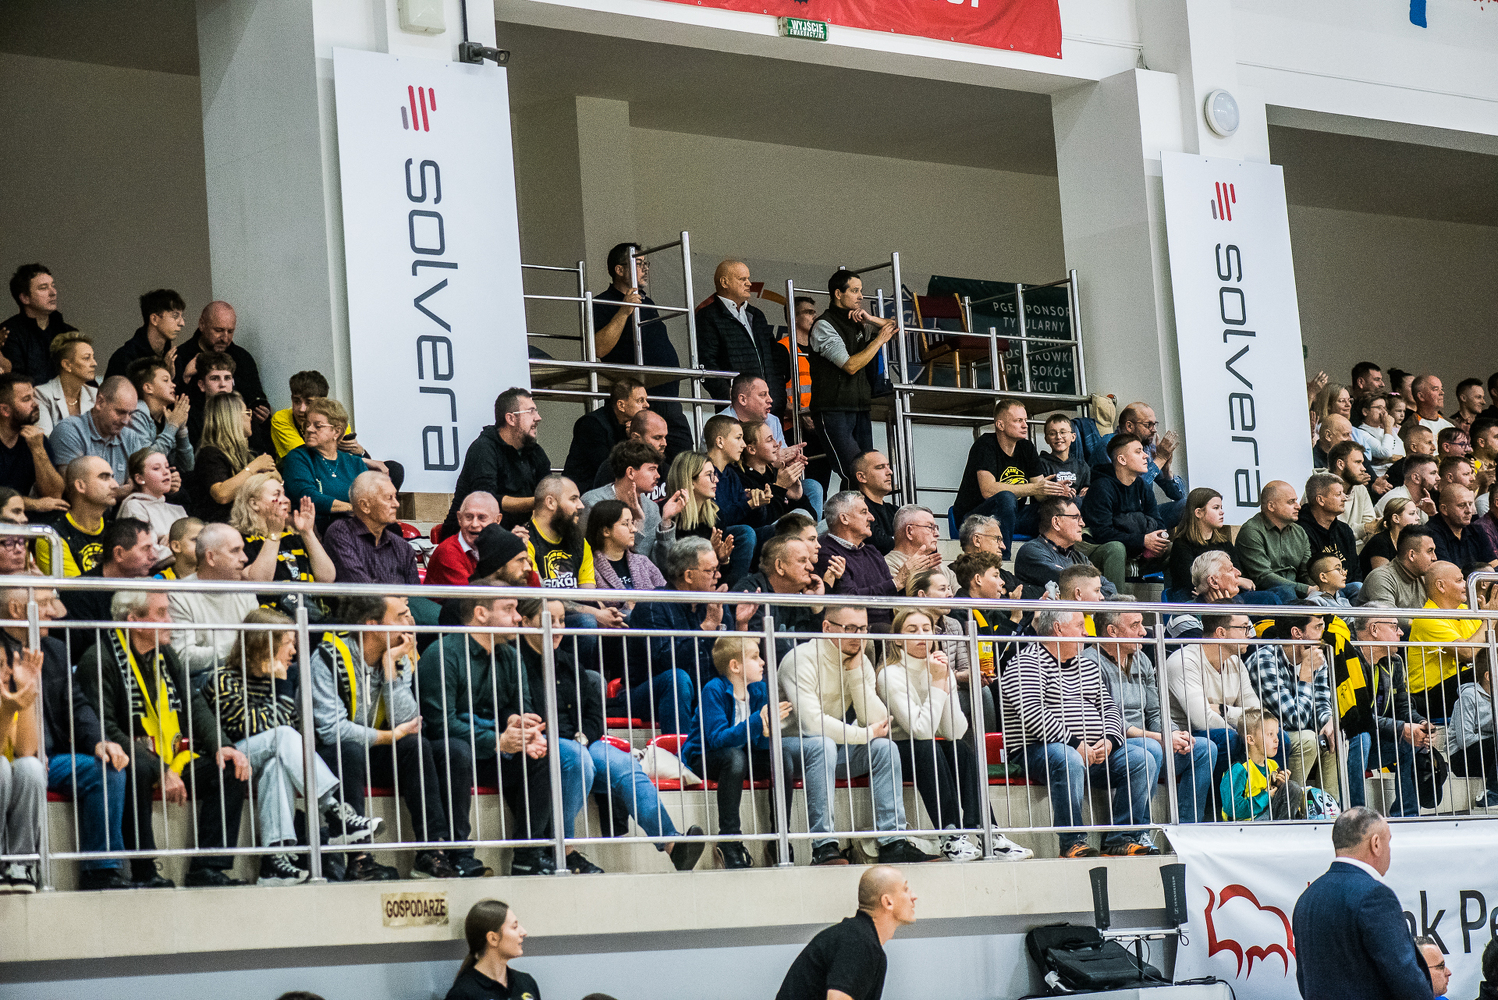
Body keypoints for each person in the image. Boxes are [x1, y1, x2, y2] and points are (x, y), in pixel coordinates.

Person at [75, 590, 250, 887]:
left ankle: (208, 867)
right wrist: (159, 769)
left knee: (229, 768)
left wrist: (222, 745)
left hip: (174, 753)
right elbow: (106, 728)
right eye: (162, 613)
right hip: (132, 755)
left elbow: (193, 704)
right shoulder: (99, 659)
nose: (171, 621)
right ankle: (145, 870)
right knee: (136, 769)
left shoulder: (165, 653)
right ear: (134, 621)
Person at [521, 596, 706, 874]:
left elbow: (595, 715)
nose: (557, 628)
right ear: (525, 622)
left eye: (561, 620)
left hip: (580, 740)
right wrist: (576, 742)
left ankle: (672, 844)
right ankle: (563, 849)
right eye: (549, 620)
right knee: (578, 758)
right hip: (542, 742)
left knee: (625, 764)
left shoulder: (569, 662)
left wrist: (583, 738)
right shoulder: (515, 662)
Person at [207, 608, 377, 886]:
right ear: (265, 644)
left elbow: (293, 730)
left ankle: (275, 861)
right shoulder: (224, 679)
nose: (294, 652)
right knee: (282, 737)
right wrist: (282, 687)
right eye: (288, 643)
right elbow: (248, 726)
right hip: (231, 755)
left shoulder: (285, 675)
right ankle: (333, 811)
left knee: (277, 764)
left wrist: (281, 685)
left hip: (266, 756)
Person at [311, 594, 461, 880]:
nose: (410, 622)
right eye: (401, 616)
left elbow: (408, 723)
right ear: (373, 625)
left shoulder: (398, 656)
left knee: (416, 746)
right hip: (330, 757)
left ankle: (431, 852)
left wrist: (391, 666)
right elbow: (331, 730)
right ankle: (359, 859)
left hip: (376, 751)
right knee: (348, 750)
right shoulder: (327, 658)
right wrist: (389, 736)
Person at [779, 603, 933, 866]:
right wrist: (864, 734)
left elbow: (877, 722)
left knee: (885, 748)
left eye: (863, 628)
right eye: (850, 628)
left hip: (831, 749)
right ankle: (824, 845)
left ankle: (893, 841)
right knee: (822, 744)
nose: (859, 636)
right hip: (788, 749)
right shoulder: (801, 659)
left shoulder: (859, 659)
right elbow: (811, 724)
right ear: (827, 627)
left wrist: (856, 674)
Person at [3, 584, 134, 890]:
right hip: (10, 755)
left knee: (107, 768)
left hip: (54, 757)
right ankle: (15, 863)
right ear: (17, 610)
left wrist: (99, 741)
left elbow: (78, 705)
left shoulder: (56, 650)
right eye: (45, 603)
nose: (54, 612)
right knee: (25, 767)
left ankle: (101, 870)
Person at [417, 594, 555, 878]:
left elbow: (522, 708)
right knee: (456, 750)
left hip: (493, 748)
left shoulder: (512, 655)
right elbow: (441, 724)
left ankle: (528, 855)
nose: (518, 617)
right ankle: (459, 854)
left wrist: (524, 728)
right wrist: (497, 741)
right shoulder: (442, 653)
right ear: (481, 613)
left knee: (543, 754)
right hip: (448, 752)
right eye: (509, 609)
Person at [1002, 608, 1157, 857]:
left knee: (1142, 760)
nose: (1087, 633)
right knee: (1069, 758)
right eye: (1080, 626)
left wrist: (1109, 741)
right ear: (1058, 629)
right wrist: (1076, 744)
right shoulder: (1026, 663)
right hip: (1037, 750)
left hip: (1091, 749)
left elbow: (1110, 709)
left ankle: (1121, 837)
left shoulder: (1086, 664)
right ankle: (1072, 842)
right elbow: (1033, 714)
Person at [877, 609, 991, 863]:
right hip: (896, 751)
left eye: (926, 629)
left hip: (926, 747)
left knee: (960, 749)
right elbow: (920, 731)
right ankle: (950, 834)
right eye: (912, 630)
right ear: (897, 639)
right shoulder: (889, 674)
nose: (922, 635)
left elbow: (954, 732)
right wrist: (938, 685)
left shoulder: (939, 669)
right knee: (927, 746)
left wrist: (944, 679)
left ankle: (987, 831)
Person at [1088, 605, 1217, 824]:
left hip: (1149, 744)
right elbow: (1108, 722)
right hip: (1111, 747)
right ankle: (1139, 829)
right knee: (1152, 748)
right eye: (1135, 625)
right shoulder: (1090, 662)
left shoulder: (1142, 659)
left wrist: (1174, 734)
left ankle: (1189, 827)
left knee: (1204, 748)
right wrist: (1159, 738)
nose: (1143, 632)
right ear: (1112, 631)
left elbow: (1156, 713)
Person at [1292, 807, 1434, 1000]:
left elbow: (1304, 979)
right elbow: (1405, 978)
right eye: (1388, 841)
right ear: (1376, 844)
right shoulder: (1375, 896)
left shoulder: (1307, 898)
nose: (1389, 849)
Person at [679, 635, 794, 869]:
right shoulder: (714, 689)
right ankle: (729, 840)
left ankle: (780, 837)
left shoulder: (760, 690)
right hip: (705, 757)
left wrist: (767, 731)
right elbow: (718, 739)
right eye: (755, 657)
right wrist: (757, 721)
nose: (762, 662)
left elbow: (759, 744)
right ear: (735, 666)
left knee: (781, 757)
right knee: (734, 757)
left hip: (740, 757)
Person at [624, 537, 747, 734]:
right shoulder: (653, 605)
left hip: (701, 695)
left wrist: (742, 625)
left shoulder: (714, 605)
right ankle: (682, 750)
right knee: (677, 679)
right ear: (688, 575)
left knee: (753, 677)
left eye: (717, 569)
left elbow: (732, 660)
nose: (718, 575)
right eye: (711, 570)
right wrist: (707, 627)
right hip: (650, 694)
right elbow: (666, 662)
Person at [591, 243, 692, 459]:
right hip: (637, 401)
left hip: (668, 398)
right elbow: (599, 348)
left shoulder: (648, 301)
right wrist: (624, 311)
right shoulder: (602, 302)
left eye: (646, 263)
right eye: (638, 263)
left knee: (684, 460)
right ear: (619, 270)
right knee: (642, 462)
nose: (645, 268)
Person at [1166, 612, 1285, 792]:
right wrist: (1244, 734)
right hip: (1187, 737)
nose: (1250, 635)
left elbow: (1258, 713)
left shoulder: (1236, 662)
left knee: (1279, 737)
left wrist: (1225, 710)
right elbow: (1202, 720)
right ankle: (1223, 804)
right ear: (1221, 633)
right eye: (1244, 628)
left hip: (1226, 728)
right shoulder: (1183, 661)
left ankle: (1276, 801)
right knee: (1230, 739)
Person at [805, 269, 899, 483]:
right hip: (833, 409)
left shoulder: (858, 321)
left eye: (861, 291)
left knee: (867, 474)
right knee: (854, 473)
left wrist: (870, 318)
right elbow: (850, 366)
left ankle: (858, 507)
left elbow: (896, 328)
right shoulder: (824, 325)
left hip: (860, 407)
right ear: (838, 294)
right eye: (855, 291)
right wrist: (879, 340)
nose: (861, 296)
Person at [775, 865, 916, 1000]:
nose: (914, 896)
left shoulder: (859, 937)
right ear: (887, 902)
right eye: (905, 889)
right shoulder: (859, 942)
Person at [1340, 608, 1429, 817]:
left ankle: (1407, 814)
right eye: (1394, 626)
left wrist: (1420, 723)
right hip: (1347, 741)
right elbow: (1357, 717)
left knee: (1413, 739)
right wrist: (1400, 728)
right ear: (1374, 629)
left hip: (1377, 740)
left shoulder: (1394, 661)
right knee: (1362, 737)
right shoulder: (1347, 659)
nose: (1401, 633)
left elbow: (1403, 706)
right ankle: (1357, 815)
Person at [1244, 611, 1339, 799]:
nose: (1323, 633)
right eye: (1318, 627)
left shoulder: (1317, 658)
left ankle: (1330, 809)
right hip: (1270, 734)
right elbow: (1295, 720)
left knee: (1333, 738)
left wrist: (1328, 722)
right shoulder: (1265, 660)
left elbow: (1322, 702)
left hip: (1294, 730)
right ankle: (1290, 806)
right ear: (1297, 633)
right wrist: (1306, 675)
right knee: (1308, 740)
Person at [953, 398, 1069, 539]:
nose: (1025, 425)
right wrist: (1034, 488)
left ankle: (1052, 552)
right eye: (1018, 421)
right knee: (1006, 497)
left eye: (1025, 420)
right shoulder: (985, 445)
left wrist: (1056, 490)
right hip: (975, 520)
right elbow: (988, 490)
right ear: (1000, 425)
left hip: (1012, 516)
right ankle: (1004, 553)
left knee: (1059, 508)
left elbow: (1039, 492)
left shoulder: (1026, 447)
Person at [445, 387, 551, 535]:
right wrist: (538, 502)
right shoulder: (483, 448)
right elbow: (486, 500)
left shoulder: (535, 452)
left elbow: (548, 490)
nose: (538, 417)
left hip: (516, 535)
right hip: (470, 536)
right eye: (531, 411)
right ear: (511, 419)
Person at [232, 471, 336, 620]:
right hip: (270, 621)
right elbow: (260, 583)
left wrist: (307, 532)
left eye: (284, 494)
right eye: (277, 495)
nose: (286, 500)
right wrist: (274, 535)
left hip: (311, 617)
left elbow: (327, 577)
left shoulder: (293, 537)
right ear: (254, 504)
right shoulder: (241, 541)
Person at [48, 375, 183, 490]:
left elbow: (146, 478)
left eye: (130, 414)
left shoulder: (130, 437)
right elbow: (73, 489)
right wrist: (122, 493)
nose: (126, 421)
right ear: (100, 402)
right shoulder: (70, 431)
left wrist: (164, 481)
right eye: (120, 412)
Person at [168, 523, 259, 683]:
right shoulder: (179, 595)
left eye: (242, 550)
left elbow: (258, 645)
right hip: (203, 681)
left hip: (247, 676)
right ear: (210, 557)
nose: (244, 558)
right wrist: (239, 649)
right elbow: (182, 657)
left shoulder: (245, 591)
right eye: (235, 550)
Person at [697, 259, 789, 415]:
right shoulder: (708, 316)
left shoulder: (757, 315)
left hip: (770, 408)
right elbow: (707, 363)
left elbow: (774, 359)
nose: (749, 283)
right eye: (742, 279)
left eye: (748, 278)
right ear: (724, 282)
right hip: (737, 410)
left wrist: (778, 396)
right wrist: (730, 398)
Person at [1408, 561, 1498, 720]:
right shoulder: (1427, 618)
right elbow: (1469, 653)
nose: (1465, 585)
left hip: (1460, 686)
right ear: (1441, 586)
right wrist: (1489, 619)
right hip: (1429, 696)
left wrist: (1493, 618)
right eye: (1459, 580)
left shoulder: (1464, 610)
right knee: (1487, 670)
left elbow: (1489, 645)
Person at [1081, 433, 1169, 590]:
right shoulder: (1101, 487)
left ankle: (1178, 602)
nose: (1146, 456)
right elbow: (1103, 533)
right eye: (1138, 452)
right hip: (1102, 552)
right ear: (1122, 460)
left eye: (1143, 451)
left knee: (1171, 548)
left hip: (1137, 552)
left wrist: (1157, 539)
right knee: (1116, 548)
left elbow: (1158, 522)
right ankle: (1117, 604)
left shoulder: (1142, 486)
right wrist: (1142, 539)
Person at [281, 398, 382, 529]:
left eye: (318, 426)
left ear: (337, 432)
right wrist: (351, 508)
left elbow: (371, 498)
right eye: (307, 424)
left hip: (357, 525)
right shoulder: (298, 457)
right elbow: (307, 497)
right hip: (319, 527)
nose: (309, 429)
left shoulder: (355, 463)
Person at [172, 301, 269, 434]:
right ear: (202, 325)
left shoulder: (242, 358)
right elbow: (172, 407)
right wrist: (185, 378)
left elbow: (256, 397)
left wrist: (262, 411)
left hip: (239, 434)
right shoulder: (180, 357)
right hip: (196, 434)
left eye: (230, 331)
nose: (225, 338)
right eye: (218, 330)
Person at [582, 441, 680, 569]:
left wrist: (666, 521)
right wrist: (637, 522)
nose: (658, 476)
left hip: (643, 580)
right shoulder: (593, 502)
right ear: (630, 473)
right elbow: (589, 554)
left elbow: (663, 565)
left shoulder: (652, 508)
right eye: (652, 469)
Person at [813, 491, 900, 632]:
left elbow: (891, 597)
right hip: (857, 631)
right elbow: (851, 598)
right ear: (844, 519)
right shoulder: (826, 553)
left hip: (886, 630)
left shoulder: (872, 551)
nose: (871, 518)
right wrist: (895, 583)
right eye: (864, 512)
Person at [1166, 488, 1272, 602]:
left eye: (1221, 507)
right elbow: (1193, 582)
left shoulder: (1225, 543)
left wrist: (1234, 582)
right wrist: (1239, 582)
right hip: (1194, 599)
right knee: (1235, 601)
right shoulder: (1181, 544)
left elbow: (1237, 572)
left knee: (1270, 598)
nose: (1222, 512)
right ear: (1198, 513)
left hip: (1229, 593)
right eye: (1216, 508)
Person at [190, 392, 277, 523]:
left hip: (248, 521)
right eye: (247, 413)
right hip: (221, 525)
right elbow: (222, 495)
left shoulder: (248, 454)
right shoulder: (209, 454)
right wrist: (254, 467)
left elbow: (277, 481)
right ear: (232, 418)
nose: (250, 418)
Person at [322, 472, 420, 586]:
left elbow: (415, 592)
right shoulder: (340, 533)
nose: (396, 504)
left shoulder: (403, 547)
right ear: (365, 506)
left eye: (395, 497)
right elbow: (359, 587)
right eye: (389, 498)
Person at [1015, 496, 1121, 600]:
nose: (1082, 524)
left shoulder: (1080, 558)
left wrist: (1091, 591)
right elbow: (1071, 584)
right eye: (1076, 518)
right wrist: (1092, 592)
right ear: (1056, 522)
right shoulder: (1031, 552)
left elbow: (1111, 590)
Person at [57, 516, 157, 624]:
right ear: (119, 554)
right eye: (145, 549)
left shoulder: (147, 589)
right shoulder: (79, 594)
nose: (154, 556)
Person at [702, 414, 763, 583]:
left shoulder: (731, 474)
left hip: (734, 534)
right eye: (738, 438)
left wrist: (759, 504)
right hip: (711, 536)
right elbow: (717, 520)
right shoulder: (702, 472)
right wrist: (747, 504)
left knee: (779, 530)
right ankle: (736, 591)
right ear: (720, 442)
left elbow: (750, 520)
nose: (743, 445)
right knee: (745, 533)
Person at [34, 456, 117, 577]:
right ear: (80, 486)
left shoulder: (114, 528)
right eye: (104, 477)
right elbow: (74, 588)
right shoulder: (52, 537)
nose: (115, 485)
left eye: (112, 477)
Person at [559, 377, 647, 490]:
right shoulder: (592, 424)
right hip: (582, 493)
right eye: (640, 400)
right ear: (621, 405)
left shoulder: (629, 427)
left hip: (609, 490)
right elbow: (609, 469)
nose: (647, 405)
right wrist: (632, 441)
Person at [1109, 401, 1187, 526]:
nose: (1154, 430)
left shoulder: (1147, 448)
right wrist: (1160, 460)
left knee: (1188, 505)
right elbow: (1130, 491)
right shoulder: (1110, 447)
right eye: (1148, 425)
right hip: (1121, 515)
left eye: (1154, 424)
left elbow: (1179, 495)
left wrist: (1167, 473)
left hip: (1145, 513)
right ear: (1129, 426)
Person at [1237, 481, 1316, 599]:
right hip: (1264, 595)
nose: (1298, 506)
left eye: (1296, 501)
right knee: (1287, 592)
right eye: (1291, 502)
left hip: (1296, 593)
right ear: (1271, 506)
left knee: (1345, 589)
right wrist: (1305, 589)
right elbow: (1263, 577)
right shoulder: (1251, 531)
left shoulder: (1299, 532)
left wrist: (1320, 588)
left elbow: (1306, 572)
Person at [1220, 709, 1304, 820]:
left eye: (1276, 734)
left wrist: (1280, 786)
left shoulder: (1273, 765)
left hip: (1269, 816)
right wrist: (1266, 796)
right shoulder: (1238, 769)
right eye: (1270, 734)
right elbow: (1232, 809)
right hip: (1248, 823)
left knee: (1291, 788)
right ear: (1251, 739)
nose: (1276, 740)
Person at [447, 899, 539, 1000]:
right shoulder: (462, 993)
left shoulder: (526, 982)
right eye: (514, 927)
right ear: (493, 938)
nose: (523, 932)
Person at [662, 450, 736, 574]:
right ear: (691, 481)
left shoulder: (716, 516)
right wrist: (706, 552)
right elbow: (673, 571)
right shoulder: (671, 518)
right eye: (709, 475)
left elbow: (719, 577)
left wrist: (722, 560)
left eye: (714, 474)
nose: (716, 480)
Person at [0, 374, 66, 510]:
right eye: (26, 399)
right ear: (5, 410)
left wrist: (38, 450)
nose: (36, 404)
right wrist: (34, 504)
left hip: (23, 515)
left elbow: (54, 495)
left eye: (33, 397)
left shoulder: (35, 439)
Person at [3, 264, 79, 381]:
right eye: (43, 288)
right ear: (25, 298)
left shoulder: (69, 333)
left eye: (53, 286)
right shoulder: (9, 333)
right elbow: (17, 382)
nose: (53, 292)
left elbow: (85, 378)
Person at [125, 356, 195, 474]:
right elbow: (146, 462)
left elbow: (187, 467)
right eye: (165, 380)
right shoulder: (136, 414)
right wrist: (172, 426)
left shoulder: (166, 417)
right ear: (148, 388)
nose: (173, 385)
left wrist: (181, 429)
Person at [738, 418, 814, 524]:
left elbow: (812, 522)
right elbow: (765, 521)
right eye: (769, 440)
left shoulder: (774, 473)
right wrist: (780, 487)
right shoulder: (741, 479)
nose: (776, 444)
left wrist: (798, 498)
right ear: (751, 449)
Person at [118, 448, 188, 562]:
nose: (166, 472)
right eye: (156, 468)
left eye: (167, 467)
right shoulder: (134, 506)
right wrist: (182, 550)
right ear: (140, 478)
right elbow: (144, 551)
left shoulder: (179, 510)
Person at [1446, 653, 1498, 808]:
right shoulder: (1468, 696)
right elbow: (1465, 740)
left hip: (1489, 754)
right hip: (1462, 758)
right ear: (1488, 676)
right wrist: (1493, 738)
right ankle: (1492, 794)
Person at [586, 499, 666, 597]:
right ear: (606, 531)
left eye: (632, 522)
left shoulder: (643, 562)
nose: (634, 529)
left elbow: (666, 597)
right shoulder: (589, 567)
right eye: (625, 524)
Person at [1298, 473, 1362, 594]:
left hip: (1347, 590)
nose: (1344, 498)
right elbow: (1308, 574)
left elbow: (1356, 571)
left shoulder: (1345, 530)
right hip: (1319, 592)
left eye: (1343, 493)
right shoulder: (1301, 530)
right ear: (1320, 500)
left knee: (1359, 587)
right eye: (1338, 494)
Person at [424, 491, 501, 588]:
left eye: (482, 518)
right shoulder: (447, 552)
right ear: (459, 518)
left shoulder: (500, 547)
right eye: (468, 517)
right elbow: (474, 594)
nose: (474, 524)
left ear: (497, 520)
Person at [105, 289, 185, 381]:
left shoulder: (173, 358)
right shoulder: (124, 358)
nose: (182, 323)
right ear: (154, 319)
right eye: (175, 316)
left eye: (182, 317)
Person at [588, 408, 671, 493]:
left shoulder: (664, 468)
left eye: (665, 437)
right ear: (635, 438)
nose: (664, 443)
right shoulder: (613, 468)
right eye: (657, 438)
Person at [35, 331, 98, 435]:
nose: (94, 363)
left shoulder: (95, 394)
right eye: (87, 358)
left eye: (93, 357)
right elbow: (46, 438)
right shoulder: (41, 394)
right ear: (67, 365)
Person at [883, 503, 951, 594]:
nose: (937, 534)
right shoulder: (886, 566)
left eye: (936, 528)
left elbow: (962, 597)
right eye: (930, 527)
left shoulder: (940, 567)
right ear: (909, 531)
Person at [1431, 484, 1498, 570]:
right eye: (1462, 505)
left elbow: (1494, 564)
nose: (1469, 511)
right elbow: (1448, 572)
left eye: (1470, 504)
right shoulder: (1432, 533)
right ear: (1444, 509)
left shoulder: (1476, 530)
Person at [850, 450, 899, 555]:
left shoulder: (895, 510)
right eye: (880, 467)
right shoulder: (855, 509)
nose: (890, 472)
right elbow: (879, 544)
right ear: (861, 477)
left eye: (888, 466)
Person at [1362, 496, 1421, 577]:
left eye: (1417, 513)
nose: (1418, 518)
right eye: (1412, 514)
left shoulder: (1410, 541)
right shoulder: (1379, 542)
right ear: (1396, 518)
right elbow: (1383, 578)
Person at [1037, 412, 1092, 493]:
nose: (1058, 437)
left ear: (1073, 437)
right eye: (1052, 434)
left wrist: (1089, 491)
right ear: (1046, 439)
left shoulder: (1082, 466)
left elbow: (1088, 488)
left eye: (1063, 432)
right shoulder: (1040, 464)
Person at [1377, 453, 1439, 523]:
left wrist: (1433, 514)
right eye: (1433, 473)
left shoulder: (1423, 501)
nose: (1438, 478)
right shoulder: (1397, 500)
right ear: (1416, 478)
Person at [159, 516, 203, 580]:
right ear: (176, 546)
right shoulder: (160, 580)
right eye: (195, 540)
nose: (202, 545)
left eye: (203, 540)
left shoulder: (211, 576)